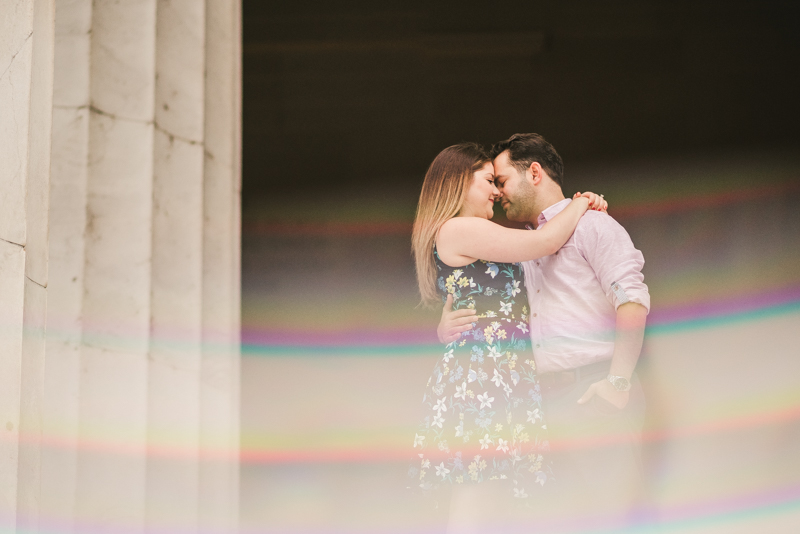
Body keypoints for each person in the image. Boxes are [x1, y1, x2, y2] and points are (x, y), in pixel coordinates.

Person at [437, 133, 650, 522]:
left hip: (593, 391)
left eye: (500, 180)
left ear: (533, 172)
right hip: (538, 404)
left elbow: (633, 302)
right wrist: (447, 324)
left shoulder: (593, 228)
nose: (498, 193)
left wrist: (617, 383)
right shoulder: (521, 245)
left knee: (616, 515)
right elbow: (481, 294)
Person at [407, 142, 607, 533]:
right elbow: (542, 243)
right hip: (484, 376)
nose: (497, 192)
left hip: (496, 371)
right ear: (459, 182)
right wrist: (580, 203)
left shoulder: (462, 232)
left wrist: (444, 328)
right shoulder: (460, 228)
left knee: (490, 492)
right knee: (478, 489)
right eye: (488, 181)